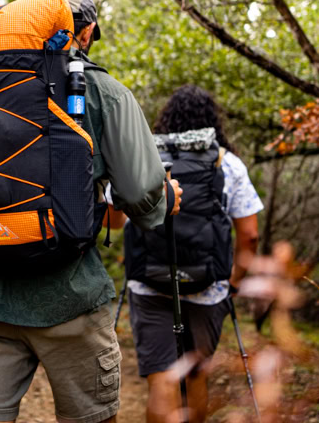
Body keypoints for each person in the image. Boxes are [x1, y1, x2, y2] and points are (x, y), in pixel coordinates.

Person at [0, 0, 183, 423]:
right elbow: (138, 192)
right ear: (88, 31)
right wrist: (164, 201)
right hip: (69, 298)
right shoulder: (102, 90)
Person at [127, 85, 262, 423]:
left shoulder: (145, 159)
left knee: (162, 374)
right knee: (196, 373)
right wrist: (233, 283)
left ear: (166, 119)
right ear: (212, 122)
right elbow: (250, 234)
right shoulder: (227, 163)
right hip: (208, 289)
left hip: (149, 284)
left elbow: (116, 219)